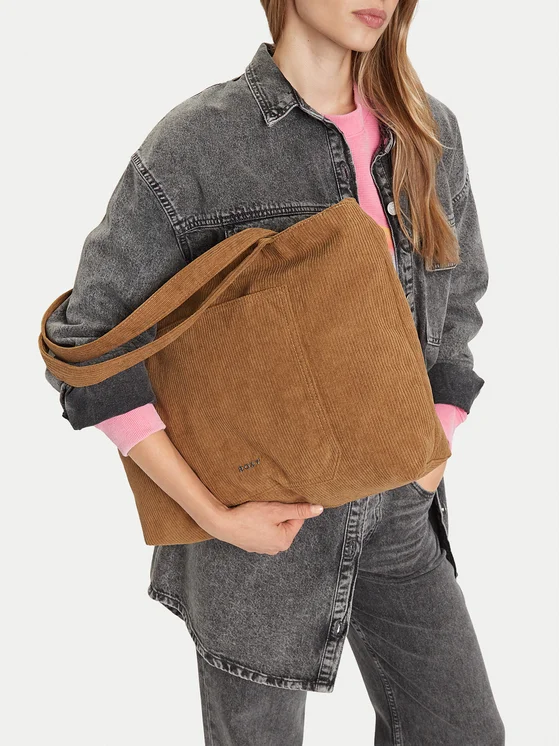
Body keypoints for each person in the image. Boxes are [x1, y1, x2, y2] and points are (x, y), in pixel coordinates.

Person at [43, 1, 506, 743]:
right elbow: (88, 347)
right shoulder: (198, 145)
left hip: (400, 514)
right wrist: (214, 515)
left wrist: (433, 448)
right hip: (256, 544)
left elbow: (458, 304)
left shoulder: (428, 131)